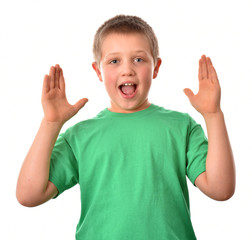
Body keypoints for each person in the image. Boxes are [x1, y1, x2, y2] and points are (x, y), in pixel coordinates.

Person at [16, 15, 235, 239]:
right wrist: (51, 124)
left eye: (139, 60)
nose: (127, 70)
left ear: (156, 67)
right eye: (114, 61)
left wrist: (213, 115)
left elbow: (221, 189)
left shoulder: (181, 126)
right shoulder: (80, 136)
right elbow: (29, 195)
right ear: (98, 71)